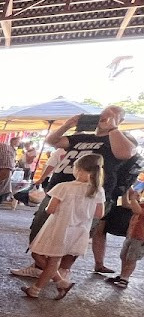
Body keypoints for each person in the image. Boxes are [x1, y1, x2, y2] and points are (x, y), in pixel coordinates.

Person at [36, 107, 138, 276]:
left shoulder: (120, 139)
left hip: (91, 195)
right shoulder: (82, 137)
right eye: (104, 114)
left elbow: (126, 153)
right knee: (43, 227)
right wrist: (68, 124)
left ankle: (63, 271)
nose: (105, 118)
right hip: (61, 189)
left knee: (78, 233)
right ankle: (41, 268)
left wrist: (112, 129)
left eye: (113, 116)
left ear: (120, 121)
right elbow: (52, 141)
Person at [22, 154, 104, 299]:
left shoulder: (64, 187)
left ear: (78, 169)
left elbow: (50, 209)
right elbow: (99, 213)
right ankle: (61, 283)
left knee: (44, 256)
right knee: (50, 258)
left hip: (59, 227)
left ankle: (36, 289)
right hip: (79, 229)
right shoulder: (98, 190)